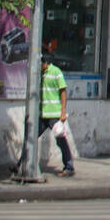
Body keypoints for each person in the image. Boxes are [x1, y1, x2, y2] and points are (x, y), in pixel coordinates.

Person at [39, 46, 74, 177]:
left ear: (45, 63)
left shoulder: (56, 72)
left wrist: (63, 112)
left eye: (40, 65)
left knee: (61, 140)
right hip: (42, 114)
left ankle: (69, 166)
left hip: (53, 114)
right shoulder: (40, 75)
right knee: (29, 138)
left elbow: (63, 91)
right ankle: (20, 165)